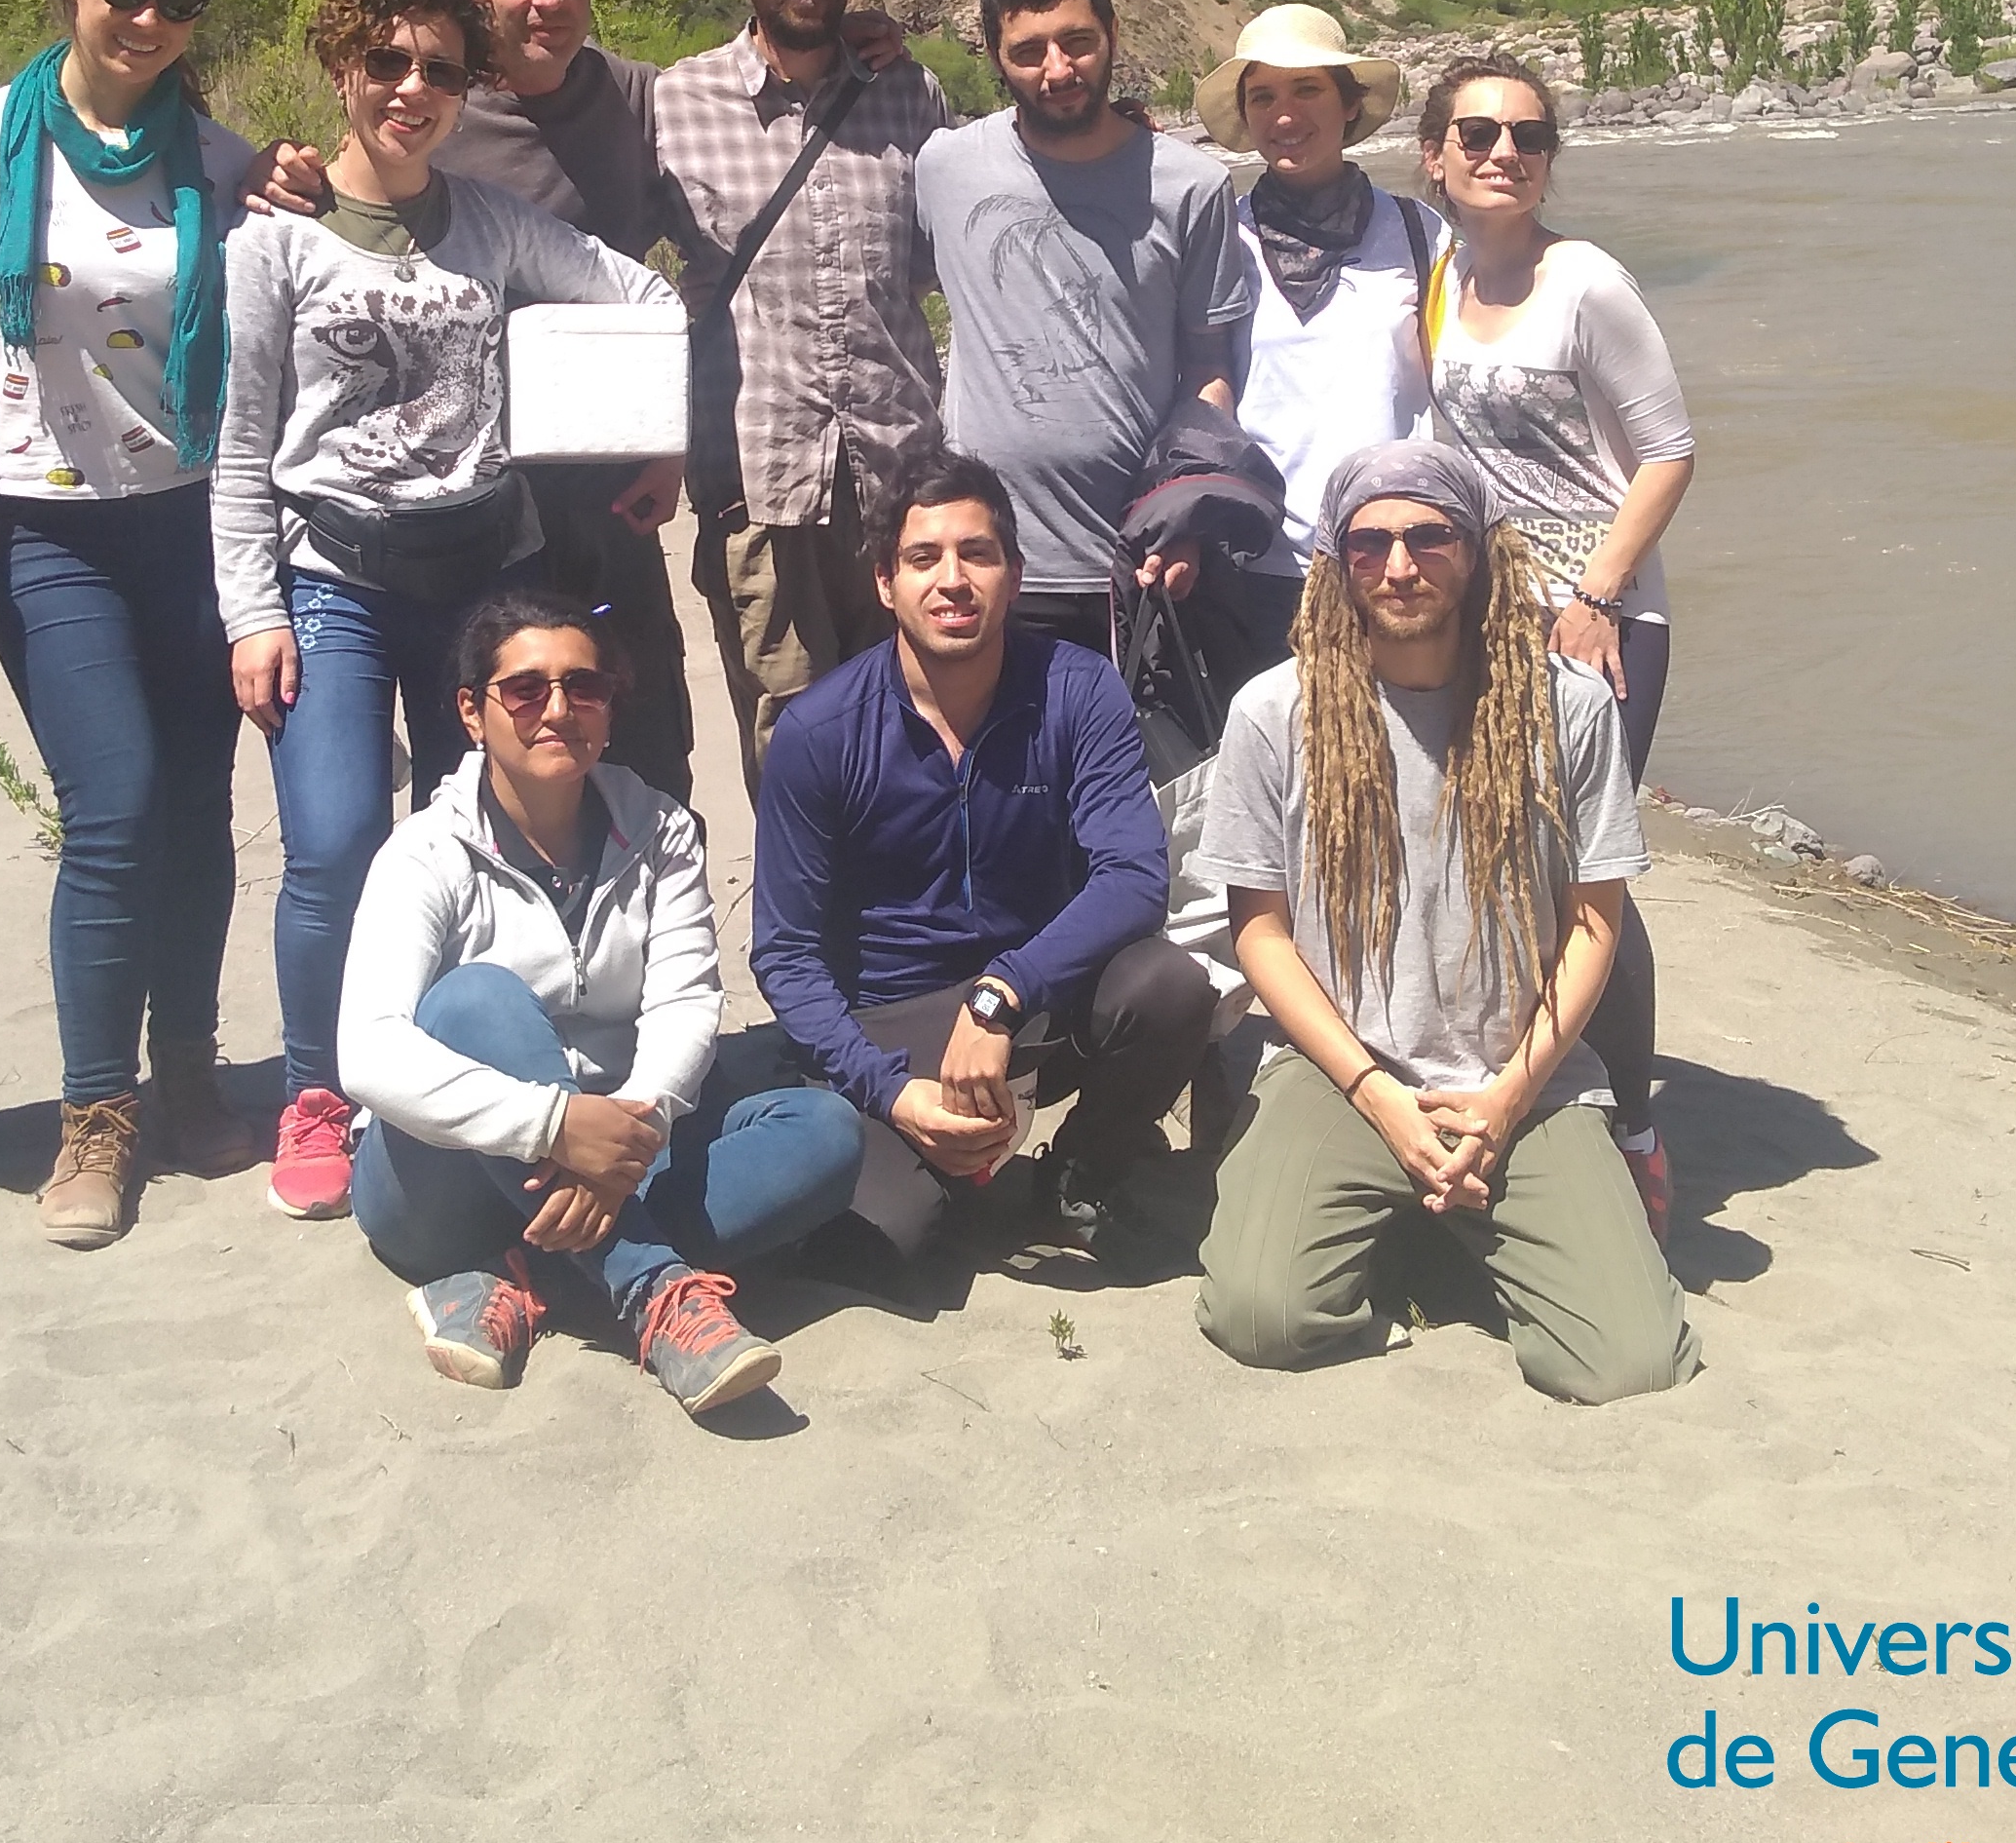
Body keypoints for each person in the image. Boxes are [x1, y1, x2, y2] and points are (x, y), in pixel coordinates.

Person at [213, 0, 682, 1224]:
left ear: (468, 87)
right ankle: (319, 1088)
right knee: (331, 845)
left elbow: (640, 292)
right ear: (341, 67)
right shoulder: (275, 242)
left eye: (439, 68)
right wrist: (252, 612)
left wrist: (659, 428)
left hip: (484, 576)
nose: (411, 89)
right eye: (387, 62)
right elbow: (242, 445)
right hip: (338, 581)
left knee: (468, 839)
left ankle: (438, 1076)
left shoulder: (494, 223)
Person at [0, 0, 261, 1250]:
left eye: (182, 0)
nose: (152, 18)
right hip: (44, 525)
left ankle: (188, 1075)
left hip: (190, 520)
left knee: (198, 813)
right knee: (113, 809)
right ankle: (95, 1116)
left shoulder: (222, 169)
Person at [1193, 443, 1699, 1403]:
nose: (1398, 565)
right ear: (1336, 564)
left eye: (1430, 537)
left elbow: (1594, 927)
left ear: (1478, 551)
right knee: (1261, 1319)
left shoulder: (1567, 708)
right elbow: (1258, 933)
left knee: (1624, 1363)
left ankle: (1454, 1215)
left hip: (1522, 1080)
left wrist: (1505, 1101)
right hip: (1342, 1071)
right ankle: (1411, 1222)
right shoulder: (1274, 713)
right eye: (1370, 542)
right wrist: (1379, 1096)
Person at [339, 588, 863, 1413]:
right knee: (477, 1000)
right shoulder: (425, 854)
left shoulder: (661, 832)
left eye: (584, 687)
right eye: (525, 690)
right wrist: (554, 1127)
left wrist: (632, 1127)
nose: (558, 709)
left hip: (614, 1136)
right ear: (473, 712)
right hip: (435, 1186)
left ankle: (525, 1274)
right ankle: (654, 1291)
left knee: (826, 1132)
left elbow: (687, 1002)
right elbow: (368, 1049)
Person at [743, 456, 1208, 1252]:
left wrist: (1005, 991)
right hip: (894, 1018)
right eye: (924, 559)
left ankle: (1079, 1175)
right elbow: (784, 954)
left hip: (1033, 995)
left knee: (1169, 988)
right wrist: (889, 1092)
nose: (953, 580)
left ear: (1015, 575)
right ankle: (877, 1137)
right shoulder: (818, 734)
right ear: (886, 584)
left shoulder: (1078, 690)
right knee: (904, 1240)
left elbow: (1135, 875)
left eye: (978, 554)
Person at [1413, 51, 1694, 1232]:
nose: (1500, 155)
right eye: (1474, 135)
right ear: (1432, 156)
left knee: (1585, 883)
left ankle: (1632, 1128)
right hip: (1484, 608)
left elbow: (1668, 449)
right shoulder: (1435, 276)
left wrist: (1597, 592)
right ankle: (1528, 1097)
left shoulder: (1583, 281)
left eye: (1525, 137)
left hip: (1596, 617)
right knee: (1503, 871)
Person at [650, 0, 954, 782]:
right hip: (759, 483)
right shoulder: (672, 103)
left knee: (924, 734)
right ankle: (807, 930)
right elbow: (592, 238)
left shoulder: (913, 96)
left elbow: (968, 256)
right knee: (792, 753)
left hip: (902, 482)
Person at [440, 0, 699, 802]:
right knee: (478, 775)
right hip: (467, 514)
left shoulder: (641, 100)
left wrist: (673, 438)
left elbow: (766, 123)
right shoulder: (426, 104)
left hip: (609, 508)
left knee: (645, 761)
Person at [919, 0, 1248, 654]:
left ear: (1112, 35)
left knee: (1145, 766)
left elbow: (1211, 369)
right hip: (985, 561)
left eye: (1077, 43)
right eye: (1029, 51)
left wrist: (1185, 511)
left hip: (1141, 561)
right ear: (994, 55)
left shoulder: (1191, 185)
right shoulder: (943, 167)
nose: (1058, 70)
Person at [1192, 3, 1438, 671]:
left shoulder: (1421, 237)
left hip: (1399, 561)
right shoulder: (1222, 240)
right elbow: (1202, 387)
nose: (1284, 115)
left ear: (1348, 105)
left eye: (1307, 89)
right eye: (1263, 96)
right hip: (1260, 567)